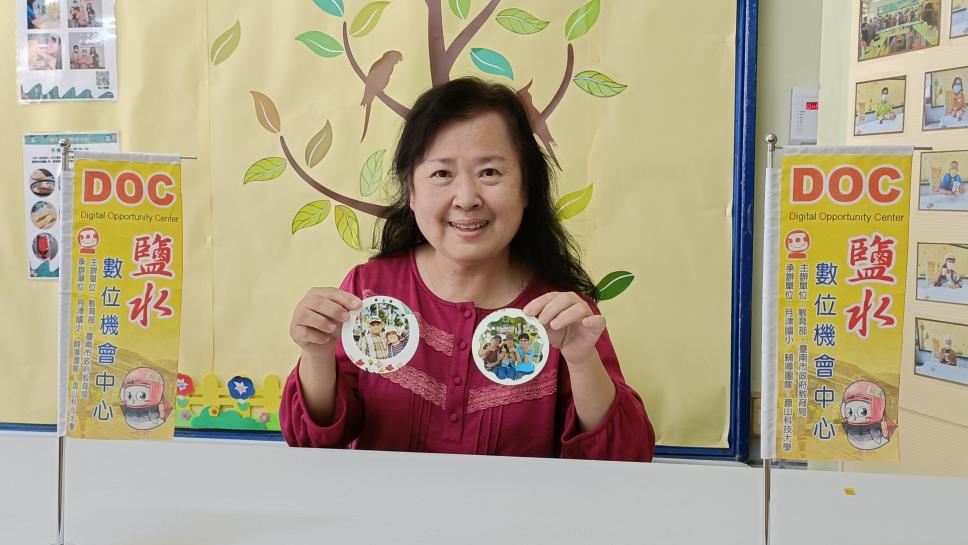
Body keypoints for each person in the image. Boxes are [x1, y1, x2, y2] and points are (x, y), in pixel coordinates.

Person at [283, 77, 655, 461]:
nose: (466, 199)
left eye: (489, 172)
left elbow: (625, 461)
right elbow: (314, 445)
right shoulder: (368, 290)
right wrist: (316, 355)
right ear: (411, 191)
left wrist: (581, 361)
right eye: (442, 174)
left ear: (527, 187)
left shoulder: (562, 314)